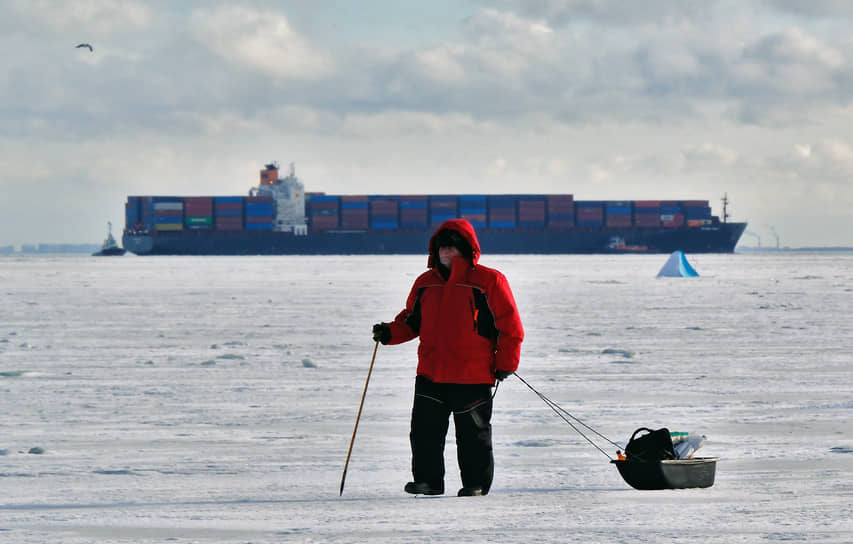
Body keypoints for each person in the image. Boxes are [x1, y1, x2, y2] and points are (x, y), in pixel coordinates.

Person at [372, 218, 524, 497]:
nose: (447, 253)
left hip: (472, 374)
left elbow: (510, 326)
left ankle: (475, 484)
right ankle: (428, 482)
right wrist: (389, 333)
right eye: (442, 248)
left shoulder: (489, 280)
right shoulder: (425, 283)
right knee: (424, 434)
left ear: (466, 250)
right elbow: (411, 321)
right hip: (430, 372)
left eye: (453, 248)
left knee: (474, 437)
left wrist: (506, 363)